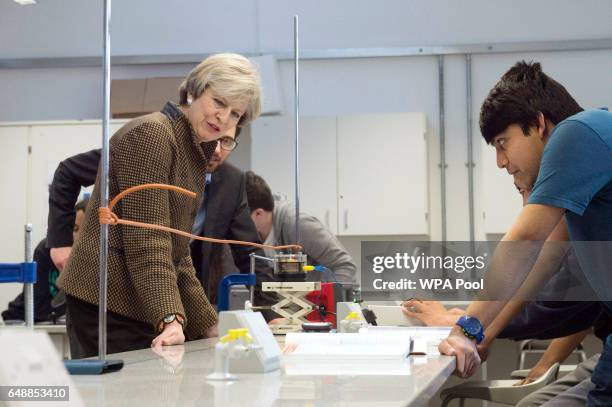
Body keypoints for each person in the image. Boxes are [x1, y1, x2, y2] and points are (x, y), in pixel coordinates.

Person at [58, 53, 262, 358]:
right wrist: (171, 318)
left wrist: (208, 324)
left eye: (234, 114)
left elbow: (178, 255)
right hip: (105, 302)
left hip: (134, 302)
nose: (223, 118)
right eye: (219, 102)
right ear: (194, 90)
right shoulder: (153, 135)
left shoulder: (192, 151)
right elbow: (147, 241)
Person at [438, 61, 612, 405]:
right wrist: (483, 333)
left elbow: (524, 241)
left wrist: (464, 330)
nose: (502, 161)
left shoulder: (575, 133)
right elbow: (541, 261)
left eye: (504, 143)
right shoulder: (588, 150)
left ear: (539, 124)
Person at [47, 130, 273, 306]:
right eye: (212, 137)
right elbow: (68, 172)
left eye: (226, 141)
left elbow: (249, 252)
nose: (217, 150)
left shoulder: (231, 182)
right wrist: (60, 241)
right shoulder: (148, 152)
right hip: (107, 291)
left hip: (171, 297)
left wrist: (271, 311)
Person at [245, 171, 357, 285]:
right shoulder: (251, 235)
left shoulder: (296, 225)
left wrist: (330, 300)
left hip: (317, 300)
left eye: (240, 216)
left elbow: (344, 265)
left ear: (258, 213)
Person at [2, 199, 88, 323]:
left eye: (85, 230)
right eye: (74, 229)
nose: (78, 236)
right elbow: (37, 308)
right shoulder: (46, 249)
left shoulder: (96, 259)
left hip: (57, 321)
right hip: (23, 319)